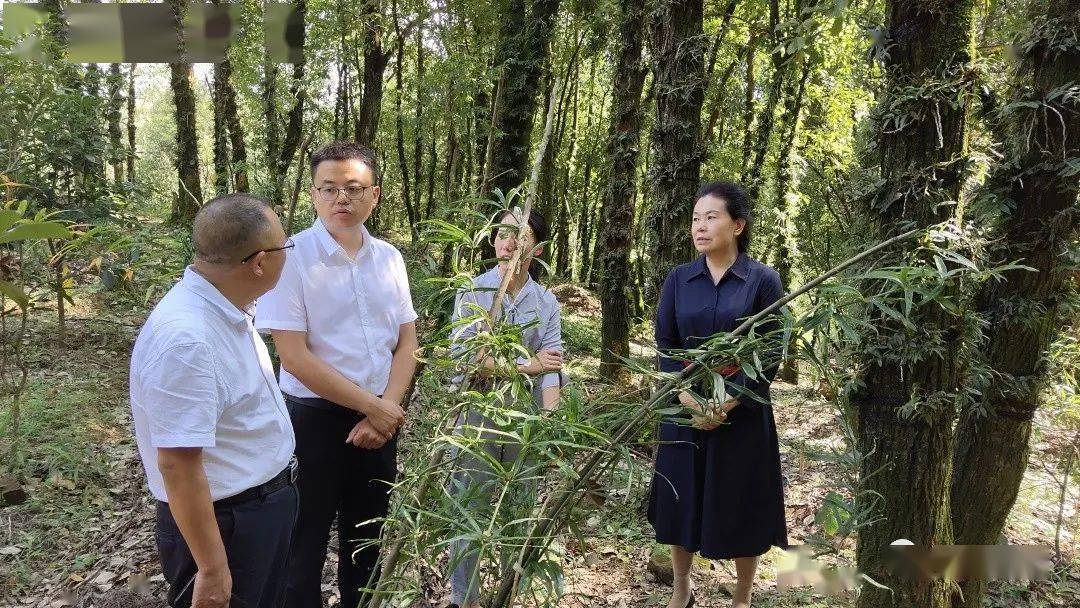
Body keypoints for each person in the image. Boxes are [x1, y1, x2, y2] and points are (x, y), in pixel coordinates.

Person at [255, 141, 418, 607]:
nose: (341, 199)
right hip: (314, 419)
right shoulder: (290, 257)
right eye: (329, 189)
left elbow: (407, 344)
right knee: (302, 543)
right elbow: (295, 357)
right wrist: (377, 408)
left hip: (381, 420)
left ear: (375, 195)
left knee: (366, 539)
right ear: (313, 194)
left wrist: (385, 410)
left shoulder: (389, 258)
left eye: (353, 188)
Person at [129, 194, 298, 608]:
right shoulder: (187, 340)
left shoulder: (227, 309)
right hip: (228, 526)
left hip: (257, 511)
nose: (287, 253)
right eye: (284, 246)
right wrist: (212, 567)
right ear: (259, 262)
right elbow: (178, 464)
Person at [648, 181, 788, 608]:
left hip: (742, 414)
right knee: (680, 498)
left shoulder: (763, 280)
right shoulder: (678, 279)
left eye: (711, 217)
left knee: (742, 502)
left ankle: (742, 598)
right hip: (683, 409)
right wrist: (690, 401)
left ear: (738, 225)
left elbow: (770, 349)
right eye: (695, 218)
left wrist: (727, 402)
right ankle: (681, 587)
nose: (700, 226)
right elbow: (666, 345)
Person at [445, 208, 565, 608]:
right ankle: (467, 599)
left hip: (525, 421)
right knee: (469, 509)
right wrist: (526, 365)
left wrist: (549, 424)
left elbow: (552, 370)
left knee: (519, 508)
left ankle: (507, 593)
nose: (508, 242)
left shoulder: (546, 301)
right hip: (475, 418)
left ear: (539, 247)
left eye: (520, 234)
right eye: (501, 233)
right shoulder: (474, 291)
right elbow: (465, 361)